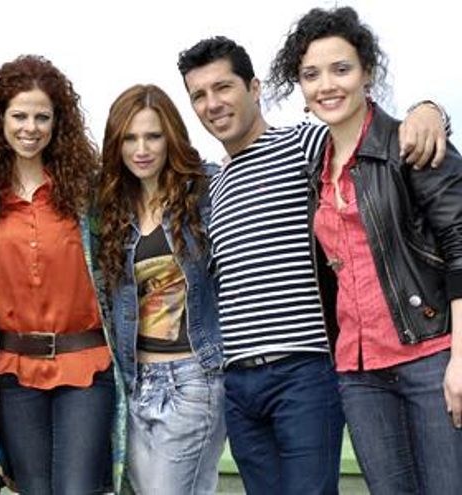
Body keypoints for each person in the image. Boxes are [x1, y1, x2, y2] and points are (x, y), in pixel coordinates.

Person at [177, 36, 448, 494]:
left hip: (303, 371)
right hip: (239, 383)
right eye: (199, 95)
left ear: (255, 88)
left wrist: (429, 110)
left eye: (223, 87)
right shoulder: (214, 185)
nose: (212, 103)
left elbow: (370, 131)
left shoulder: (305, 143)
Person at [267, 6, 462, 494]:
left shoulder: (410, 144)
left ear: (367, 72)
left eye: (341, 69)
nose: (327, 85)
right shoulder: (315, 168)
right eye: (311, 75)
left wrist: (461, 360)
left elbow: (460, 248)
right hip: (358, 371)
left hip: (431, 356)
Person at [0, 54, 122, 493]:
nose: (30, 128)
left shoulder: (89, 192)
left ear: (58, 122)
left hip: (86, 367)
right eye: (19, 116)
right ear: (0, 120)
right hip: (14, 372)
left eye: (42, 117)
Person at [97, 84, 225, 494]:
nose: (141, 149)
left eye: (153, 136)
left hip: (193, 377)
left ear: (171, 137)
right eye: (130, 138)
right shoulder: (112, 208)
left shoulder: (205, 191)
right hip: (135, 381)